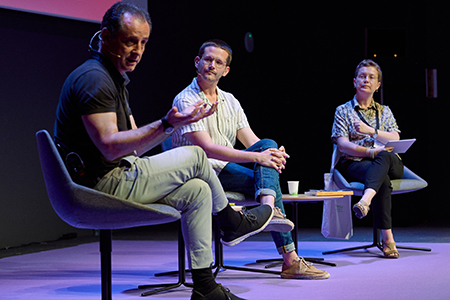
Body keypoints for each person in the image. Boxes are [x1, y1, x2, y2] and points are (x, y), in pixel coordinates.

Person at [53, 3, 274, 300]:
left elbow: (133, 147)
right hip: (101, 185)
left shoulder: (114, 78)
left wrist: (169, 128)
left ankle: (206, 289)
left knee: (197, 190)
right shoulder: (95, 79)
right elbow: (108, 148)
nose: (138, 50)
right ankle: (231, 222)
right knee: (197, 156)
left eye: (143, 43)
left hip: (119, 173)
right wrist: (166, 123)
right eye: (130, 41)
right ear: (106, 36)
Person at [172, 39, 330, 279]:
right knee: (267, 168)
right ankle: (286, 249)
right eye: (207, 59)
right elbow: (207, 149)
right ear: (197, 62)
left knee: (268, 145)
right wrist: (260, 157)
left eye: (218, 62)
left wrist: (271, 154)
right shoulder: (186, 99)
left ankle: (269, 210)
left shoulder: (230, 100)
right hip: (199, 173)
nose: (212, 65)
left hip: (225, 170)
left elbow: (252, 142)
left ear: (226, 70)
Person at [331, 59, 403, 259]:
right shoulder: (343, 111)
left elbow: (395, 137)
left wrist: (370, 131)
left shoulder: (384, 110)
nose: (366, 80)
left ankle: (365, 200)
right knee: (383, 181)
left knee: (386, 156)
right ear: (355, 82)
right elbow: (342, 144)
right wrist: (370, 152)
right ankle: (388, 239)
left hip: (390, 162)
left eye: (371, 77)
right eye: (362, 76)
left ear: (378, 85)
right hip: (356, 163)